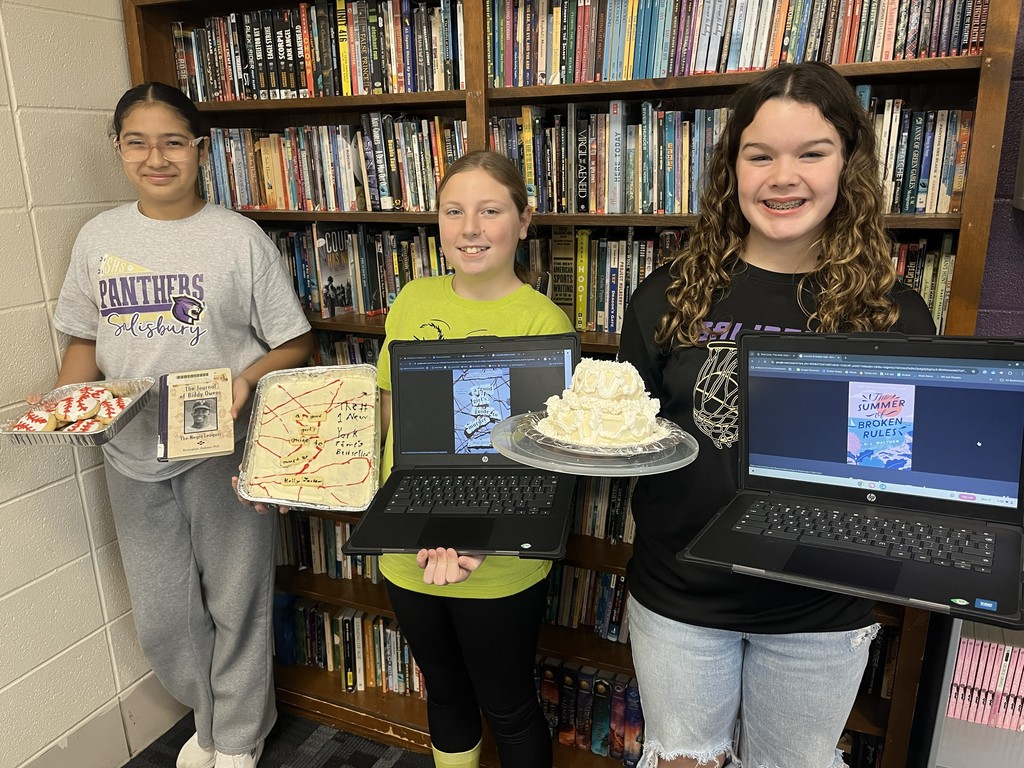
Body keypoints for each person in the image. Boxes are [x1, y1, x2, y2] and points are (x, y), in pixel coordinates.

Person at [616, 62, 936, 768]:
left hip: (819, 611)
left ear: (847, 164)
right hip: (681, 598)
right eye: (759, 155)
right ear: (732, 168)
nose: (782, 177)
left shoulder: (894, 315)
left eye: (811, 153)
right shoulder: (666, 295)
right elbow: (627, 437)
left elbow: (897, 471)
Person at [45, 82, 313, 768]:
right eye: (138, 141)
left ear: (199, 149)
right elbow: (82, 340)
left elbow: (294, 341)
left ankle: (238, 736)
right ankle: (214, 716)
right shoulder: (98, 238)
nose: (156, 157)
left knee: (237, 599)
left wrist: (247, 381)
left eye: (173, 141)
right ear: (118, 149)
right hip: (130, 449)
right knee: (165, 616)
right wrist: (65, 403)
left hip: (219, 448)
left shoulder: (237, 239)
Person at [377, 150, 574, 768]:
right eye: (453, 211)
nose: (469, 229)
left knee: (508, 703)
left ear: (524, 220)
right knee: (445, 690)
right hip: (406, 541)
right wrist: (299, 473)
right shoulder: (412, 300)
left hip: (500, 556)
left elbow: (547, 462)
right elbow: (383, 412)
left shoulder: (545, 323)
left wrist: (488, 535)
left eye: (490, 211)